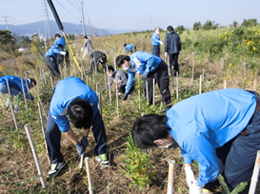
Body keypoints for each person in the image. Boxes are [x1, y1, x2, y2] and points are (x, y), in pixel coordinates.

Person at [131, 88, 260, 194]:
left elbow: (210, 165)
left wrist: (198, 185)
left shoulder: (188, 136)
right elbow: (181, 136)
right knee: (220, 163)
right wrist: (187, 165)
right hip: (240, 100)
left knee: (234, 176)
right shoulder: (173, 114)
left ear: (158, 142)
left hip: (252, 115)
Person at [46, 76, 109, 178]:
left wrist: (85, 137)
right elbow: (65, 129)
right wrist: (77, 144)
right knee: (51, 130)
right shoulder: (57, 108)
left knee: (98, 121)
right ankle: (57, 161)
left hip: (76, 82)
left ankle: (101, 151)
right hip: (61, 88)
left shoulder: (92, 98)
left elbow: (89, 119)